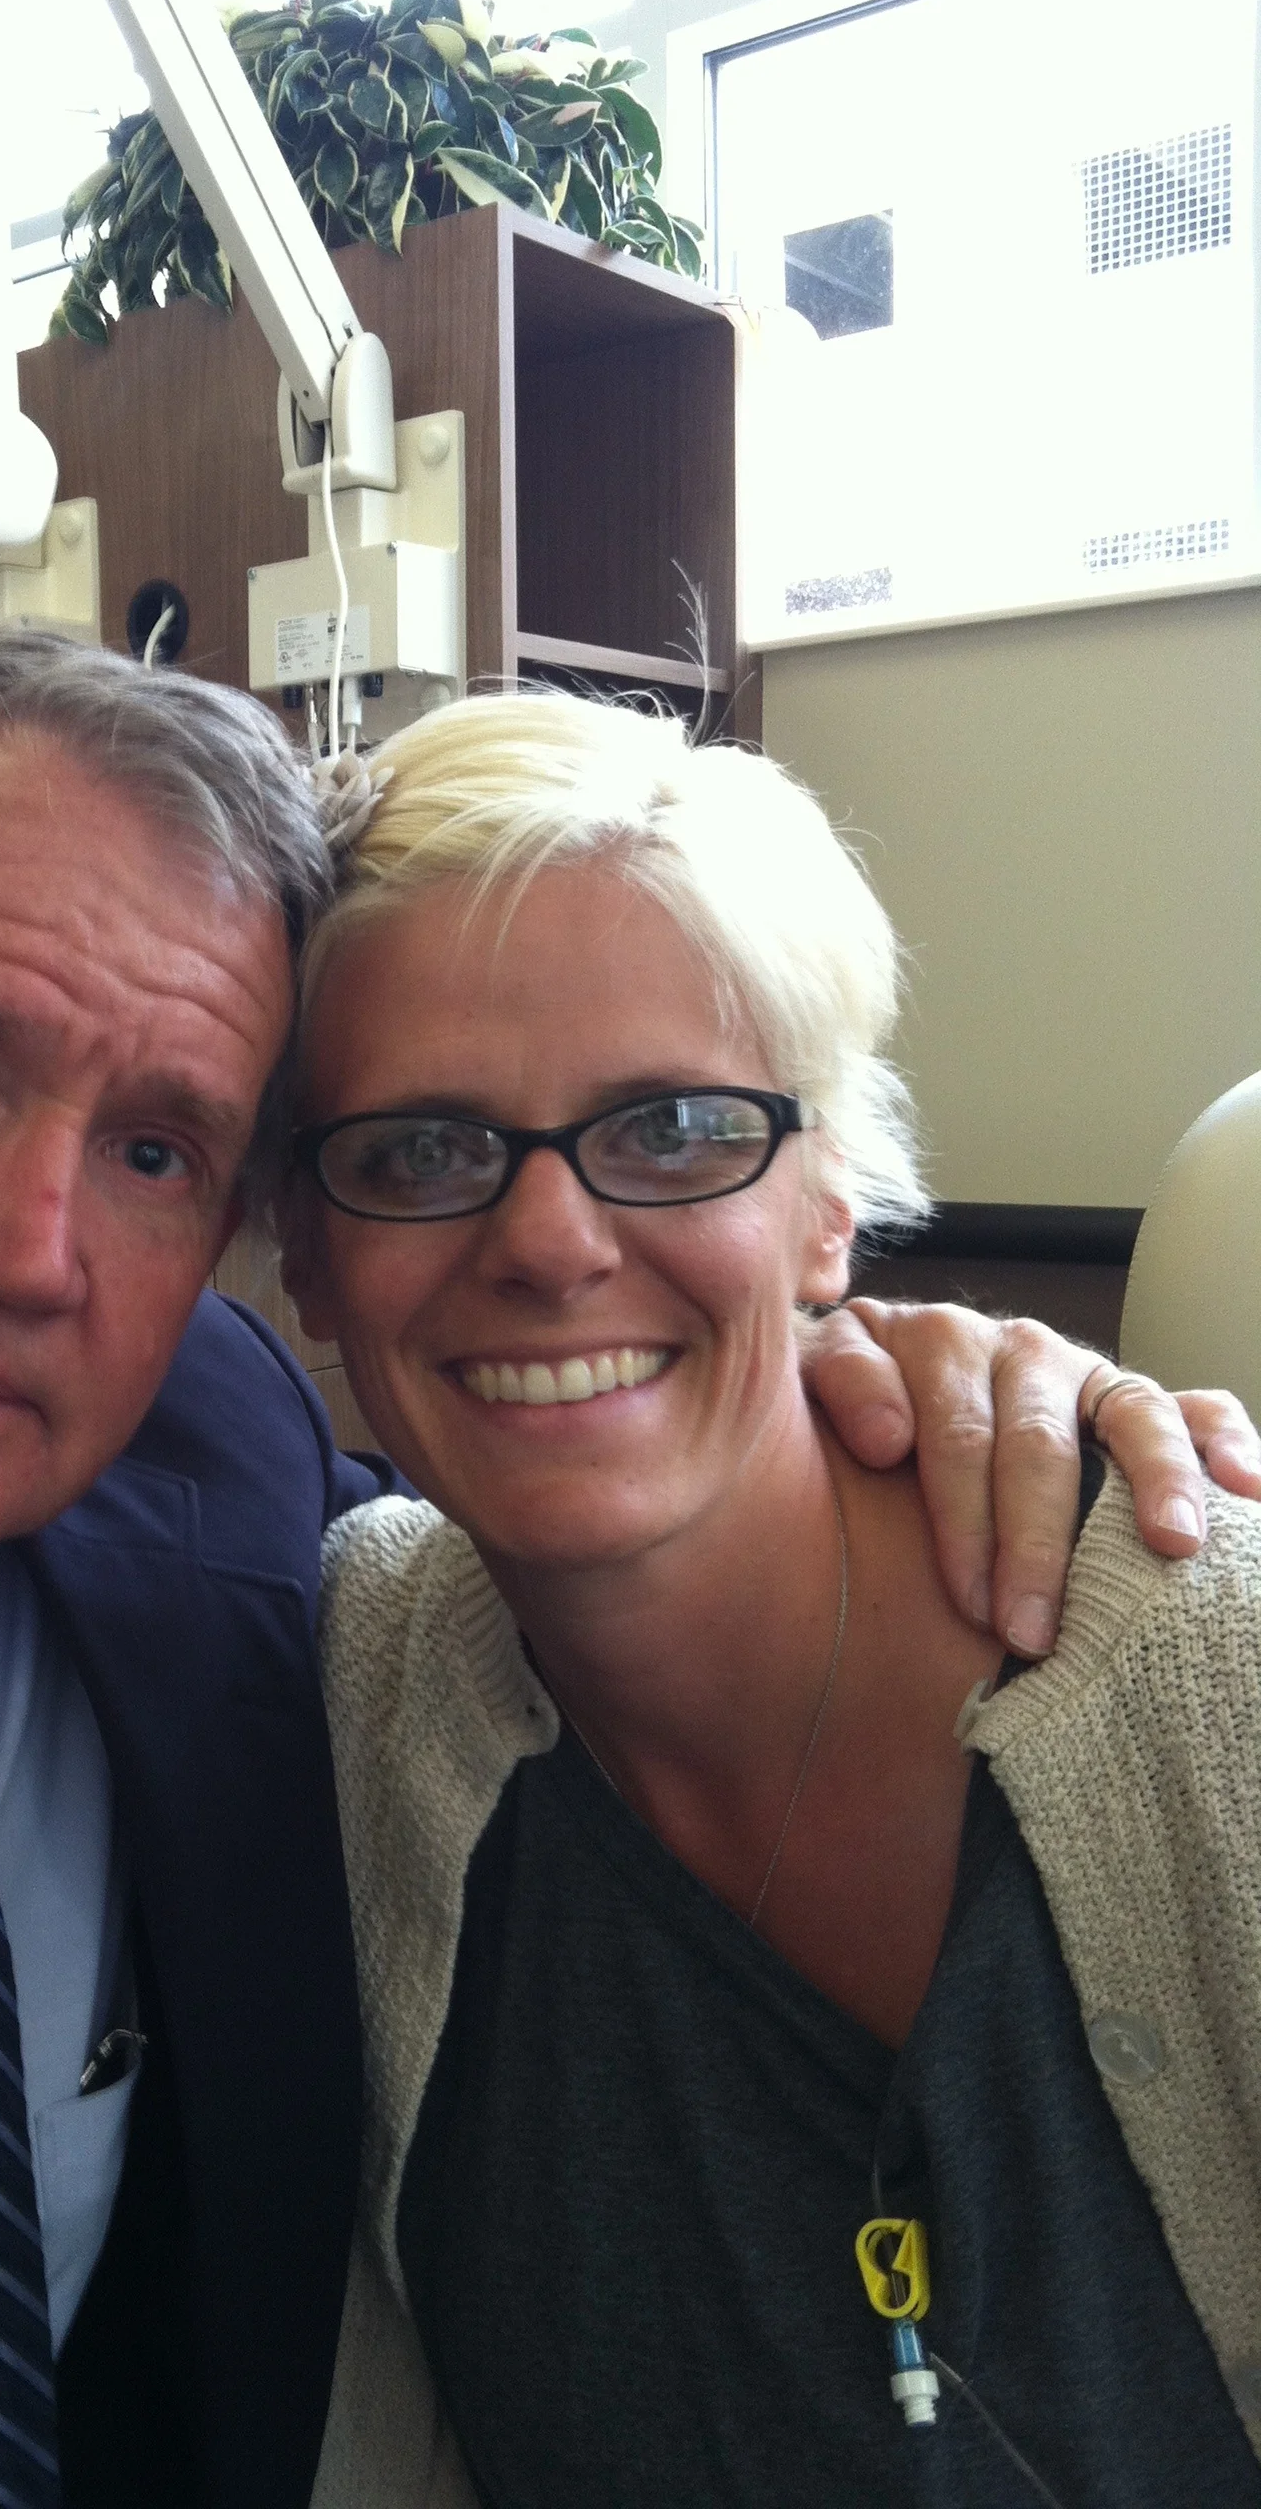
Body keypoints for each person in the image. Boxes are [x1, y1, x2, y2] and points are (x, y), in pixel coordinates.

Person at [0, 634, 1244, 2509]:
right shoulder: (360, 1644)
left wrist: (951, 1381)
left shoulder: (240, 1509)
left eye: (159, 1151)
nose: (29, 1254)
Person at [282, 690, 1261, 2508]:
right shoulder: (347, 1685)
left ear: (827, 1205)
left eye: (671, 1127)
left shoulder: (1221, 1681)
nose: (550, 1241)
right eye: (421, 1148)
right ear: (308, 1251)